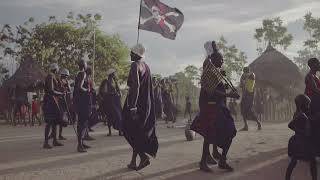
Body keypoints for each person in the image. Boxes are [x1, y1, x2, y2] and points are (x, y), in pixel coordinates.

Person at [191, 41, 239, 172]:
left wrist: (225, 85)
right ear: (212, 58)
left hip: (218, 107)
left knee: (212, 134)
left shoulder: (215, 71)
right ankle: (211, 160)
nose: (223, 60)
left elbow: (216, 87)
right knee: (216, 132)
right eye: (221, 58)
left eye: (223, 58)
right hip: (213, 107)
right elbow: (210, 91)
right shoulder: (209, 70)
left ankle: (215, 159)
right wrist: (229, 94)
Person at [123, 44, 158, 171]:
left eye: (131, 52)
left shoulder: (135, 65)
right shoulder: (146, 67)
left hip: (136, 104)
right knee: (137, 133)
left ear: (137, 54)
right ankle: (133, 161)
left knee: (127, 129)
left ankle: (143, 157)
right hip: (146, 105)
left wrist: (132, 106)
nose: (130, 54)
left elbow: (136, 86)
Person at [285, 94, 317, 180]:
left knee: (294, 161)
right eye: (307, 104)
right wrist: (302, 132)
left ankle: (287, 178)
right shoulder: (301, 115)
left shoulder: (298, 113)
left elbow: (292, 125)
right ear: (303, 105)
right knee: (312, 161)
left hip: (298, 141)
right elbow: (290, 125)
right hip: (302, 142)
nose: (309, 106)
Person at [42, 63, 64, 149]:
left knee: (54, 122)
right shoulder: (50, 76)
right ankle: (46, 142)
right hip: (50, 102)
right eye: (57, 69)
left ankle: (54, 140)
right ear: (55, 69)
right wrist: (60, 93)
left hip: (53, 101)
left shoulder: (53, 76)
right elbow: (51, 90)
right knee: (49, 122)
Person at [73, 59, 91, 153]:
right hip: (82, 103)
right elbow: (79, 87)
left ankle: (82, 143)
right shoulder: (82, 74)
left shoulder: (79, 74)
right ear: (84, 65)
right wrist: (87, 90)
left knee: (83, 123)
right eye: (86, 64)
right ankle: (80, 145)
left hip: (80, 102)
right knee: (82, 124)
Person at [99, 68, 123, 136]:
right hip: (109, 100)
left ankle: (120, 131)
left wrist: (118, 93)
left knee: (118, 115)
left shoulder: (115, 81)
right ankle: (110, 132)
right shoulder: (106, 81)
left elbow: (118, 90)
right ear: (111, 74)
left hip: (116, 100)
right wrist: (109, 95)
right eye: (114, 73)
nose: (115, 74)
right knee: (109, 115)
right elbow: (102, 91)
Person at [304, 57, 320, 156]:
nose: (319, 65)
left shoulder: (315, 76)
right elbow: (315, 90)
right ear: (312, 65)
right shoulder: (309, 76)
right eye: (318, 63)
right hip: (312, 103)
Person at [239, 67, 261, 131]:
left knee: (248, 111)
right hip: (246, 96)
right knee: (244, 111)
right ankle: (246, 126)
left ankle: (258, 123)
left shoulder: (251, 75)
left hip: (248, 96)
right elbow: (242, 86)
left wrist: (243, 78)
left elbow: (244, 86)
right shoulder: (248, 76)